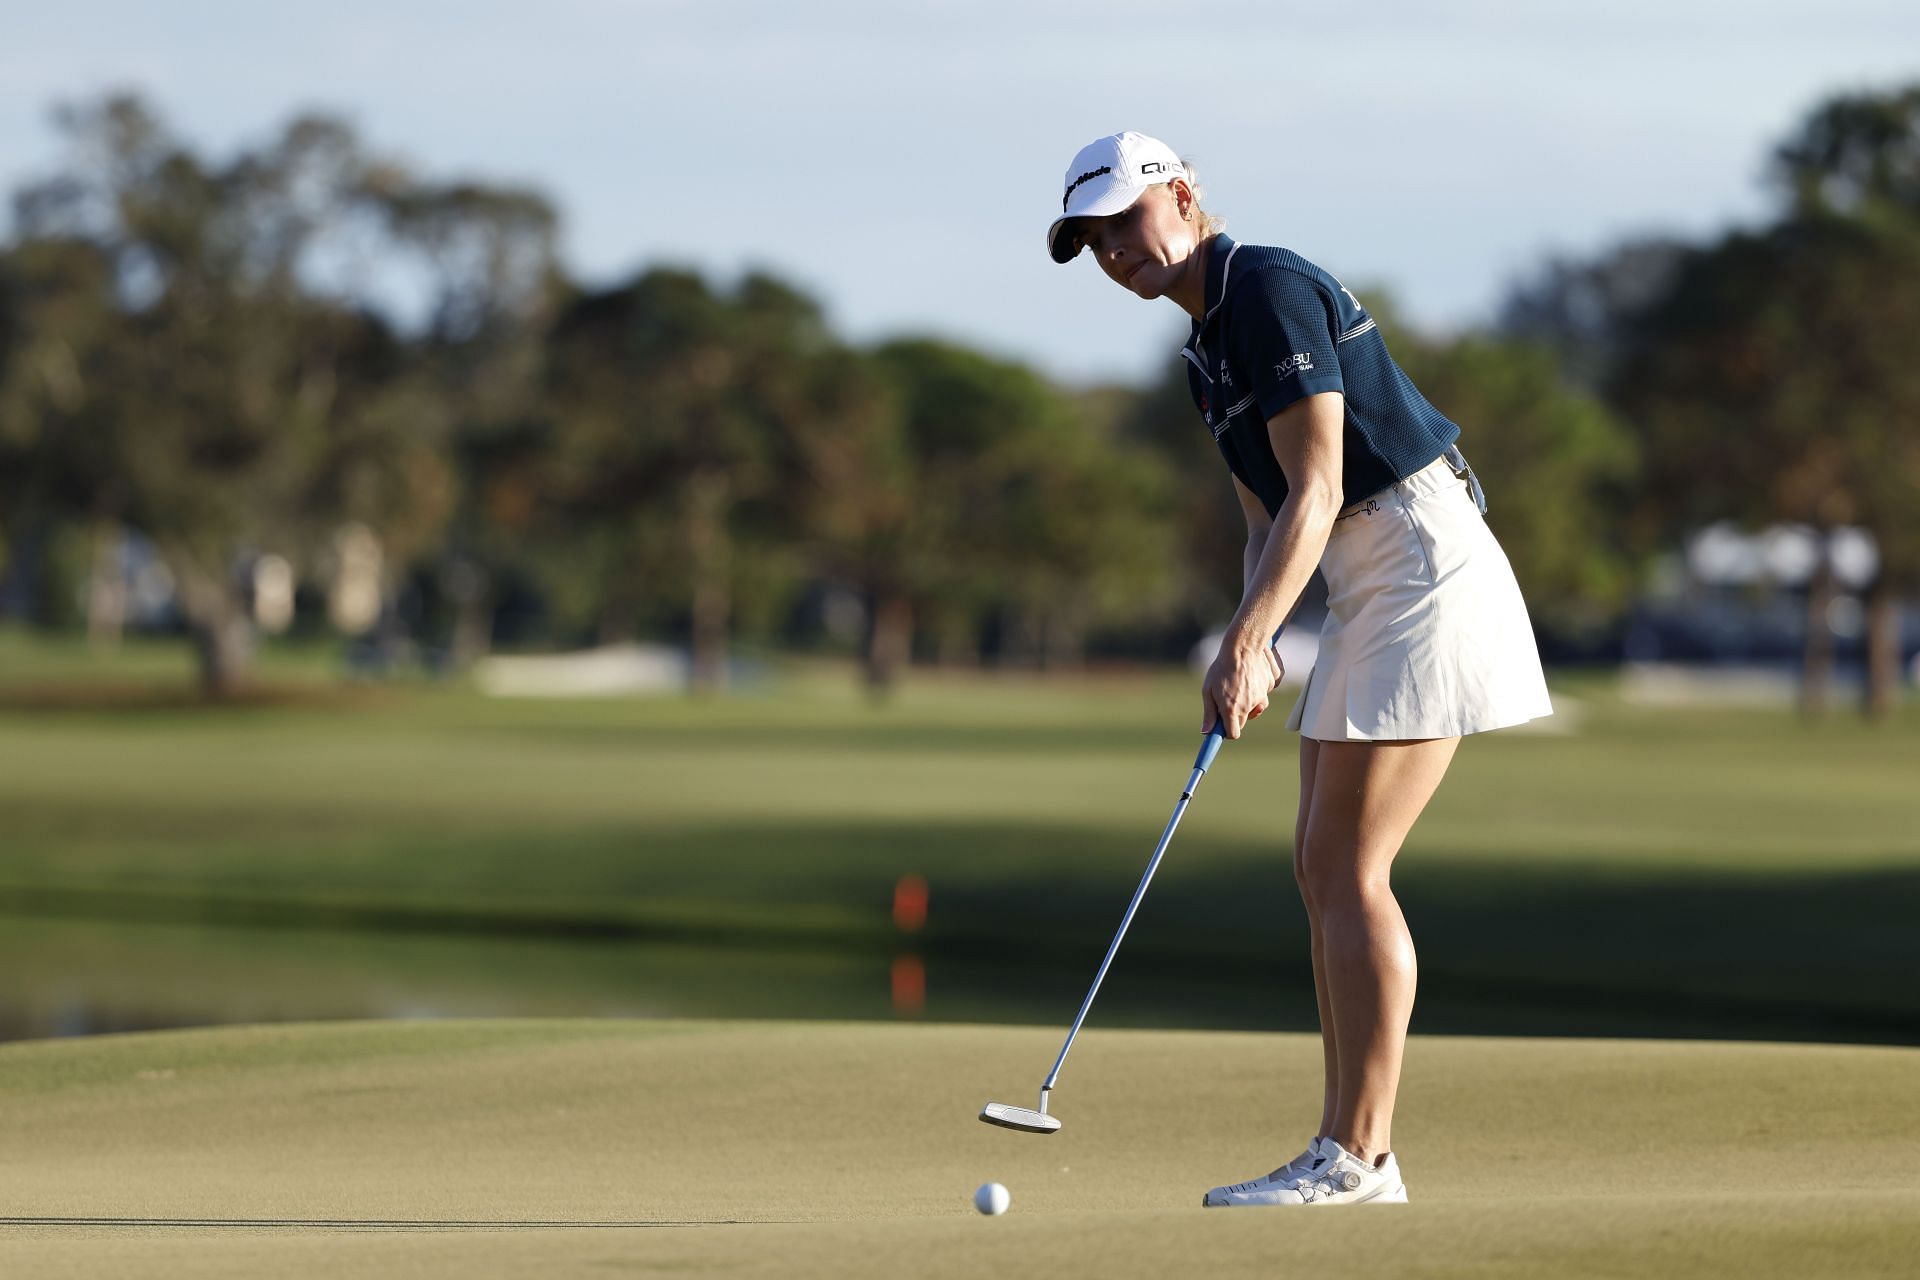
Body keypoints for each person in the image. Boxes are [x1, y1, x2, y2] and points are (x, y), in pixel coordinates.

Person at [1047, 131, 1554, 1207]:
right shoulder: (1204, 348)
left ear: (1182, 195)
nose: (1114, 254)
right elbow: (1265, 516)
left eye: (1124, 224)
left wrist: (1245, 642)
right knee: (1323, 865)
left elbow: (1319, 487)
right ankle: (1349, 1149)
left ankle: (1360, 1156)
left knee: (1350, 865)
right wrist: (1258, 629)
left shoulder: (1265, 285)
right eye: (1093, 243)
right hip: (1366, 573)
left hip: (1418, 560)